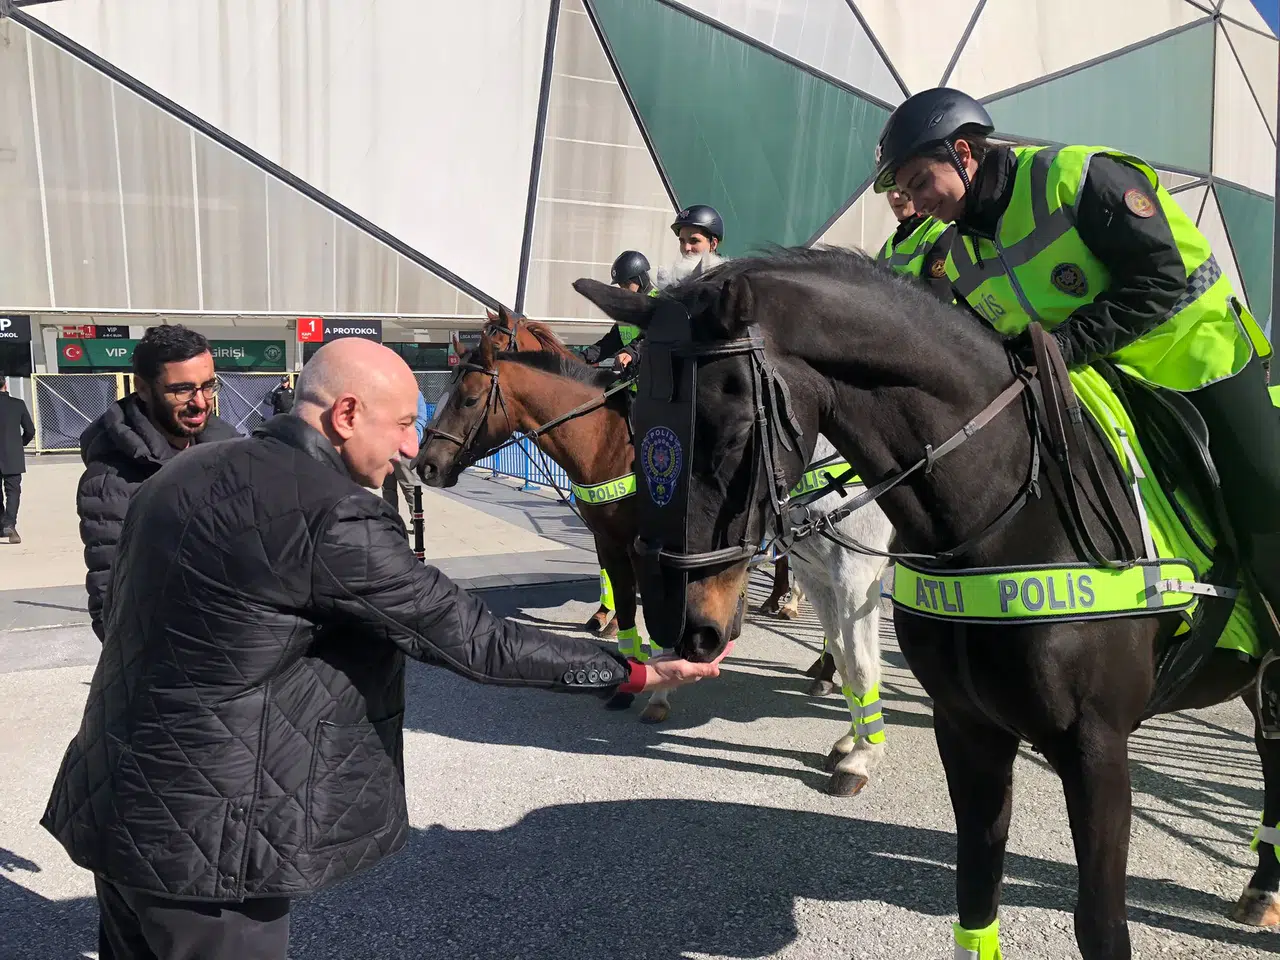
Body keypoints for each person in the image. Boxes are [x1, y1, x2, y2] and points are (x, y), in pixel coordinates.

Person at [41, 337, 725, 960]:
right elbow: (476, 640)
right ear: (345, 415)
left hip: (118, 803)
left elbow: (120, 612)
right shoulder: (332, 513)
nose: (409, 445)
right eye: (401, 423)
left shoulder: (182, 472)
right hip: (211, 843)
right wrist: (630, 671)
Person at [872, 86, 1280, 623]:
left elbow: (1161, 278)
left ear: (963, 153)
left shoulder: (1075, 177)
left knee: (1265, 489)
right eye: (906, 192)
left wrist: (1063, 345)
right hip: (1096, 388)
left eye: (921, 182)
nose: (917, 202)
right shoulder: (959, 257)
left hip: (1197, 356)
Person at [76, 324, 238, 641]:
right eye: (182, 390)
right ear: (143, 388)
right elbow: (112, 607)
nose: (200, 402)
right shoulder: (112, 482)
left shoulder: (232, 453)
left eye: (208, 386)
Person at [875, 184, 955, 302]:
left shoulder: (941, 231)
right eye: (889, 191)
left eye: (899, 189)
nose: (894, 196)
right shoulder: (891, 242)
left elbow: (937, 301)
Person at [583, 250, 656, 370]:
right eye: (621, 286)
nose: (623, 290)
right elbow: (609, 343)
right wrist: (581, 358)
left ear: (640, 279)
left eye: (626, 284)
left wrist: (630, 353)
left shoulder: (659, 303)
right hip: (632, 376)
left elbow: (651, 340)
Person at [382, 387, 431, 518]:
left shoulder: (413, 392)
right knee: (388, 488)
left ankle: (417, 521)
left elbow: (420, 418)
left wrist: (413, 439)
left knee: (409, 487)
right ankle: (390, 520)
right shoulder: (384, 391)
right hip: (386, 447)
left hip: (403, 448)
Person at [0, 377, 35, 543]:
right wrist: (19, 444)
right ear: (5, 385)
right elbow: (30, 430)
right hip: (12, 455)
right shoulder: (18, 404)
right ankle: (9, 523)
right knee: (13, 492)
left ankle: (2, 524)